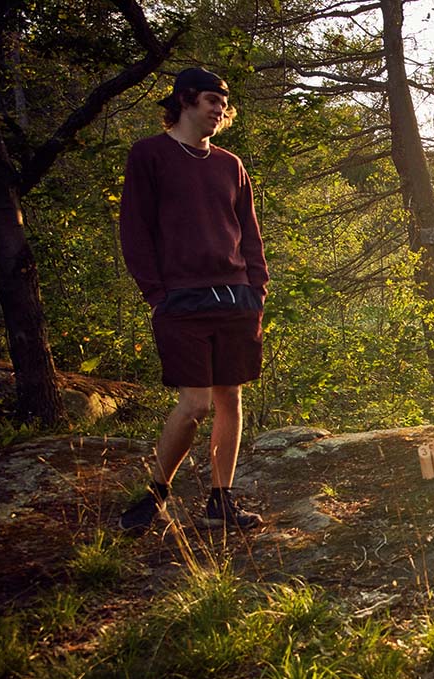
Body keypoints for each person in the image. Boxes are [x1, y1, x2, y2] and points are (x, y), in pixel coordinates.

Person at [118, 67, 268, 533]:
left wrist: (256, 288)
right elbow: (134, 230)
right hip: (180, 300)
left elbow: (249, 232)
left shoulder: (230, 165)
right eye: (210, 101)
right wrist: (156, 294)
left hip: (235, 297)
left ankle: (220, 501)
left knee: (231, 398)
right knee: (195, 404)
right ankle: (155, 494)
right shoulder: (149, 155)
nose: (219, 111)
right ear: (184, 101)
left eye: (223, 104)